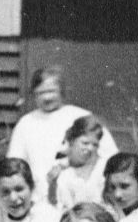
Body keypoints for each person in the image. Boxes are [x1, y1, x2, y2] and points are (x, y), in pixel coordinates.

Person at [6, 66, 118, 194]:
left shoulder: (81, 116)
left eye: (51, 91)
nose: (47, 98)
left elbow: (111, 157)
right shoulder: (26, 123)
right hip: (39, 197)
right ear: (33, 95)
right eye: (41, 93)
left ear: (61, 91)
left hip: (81, 195)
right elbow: (14, 164)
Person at [46, 114, 107, 209]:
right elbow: (52, 203)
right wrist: (52, 184)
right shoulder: (59, 167)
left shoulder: (103, 167)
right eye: (85, 143)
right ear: (72, 141)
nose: (90, 148)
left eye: (95, 145)